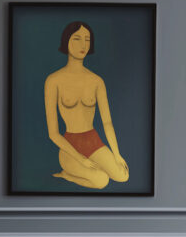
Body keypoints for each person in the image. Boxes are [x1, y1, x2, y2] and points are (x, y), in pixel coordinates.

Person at [44, 21, 129, 189]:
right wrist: (80, 158)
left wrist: (117, 154)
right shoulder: (53, 81)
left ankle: (83, 168)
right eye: (77, 39)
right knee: (102, 181)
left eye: (87, 40)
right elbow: (53, 134)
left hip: (94, 142)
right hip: (69, 146)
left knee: (123, 176)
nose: (83, 44)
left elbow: (107, 123)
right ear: (66, 41)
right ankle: (68, 175)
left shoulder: (97, 81)